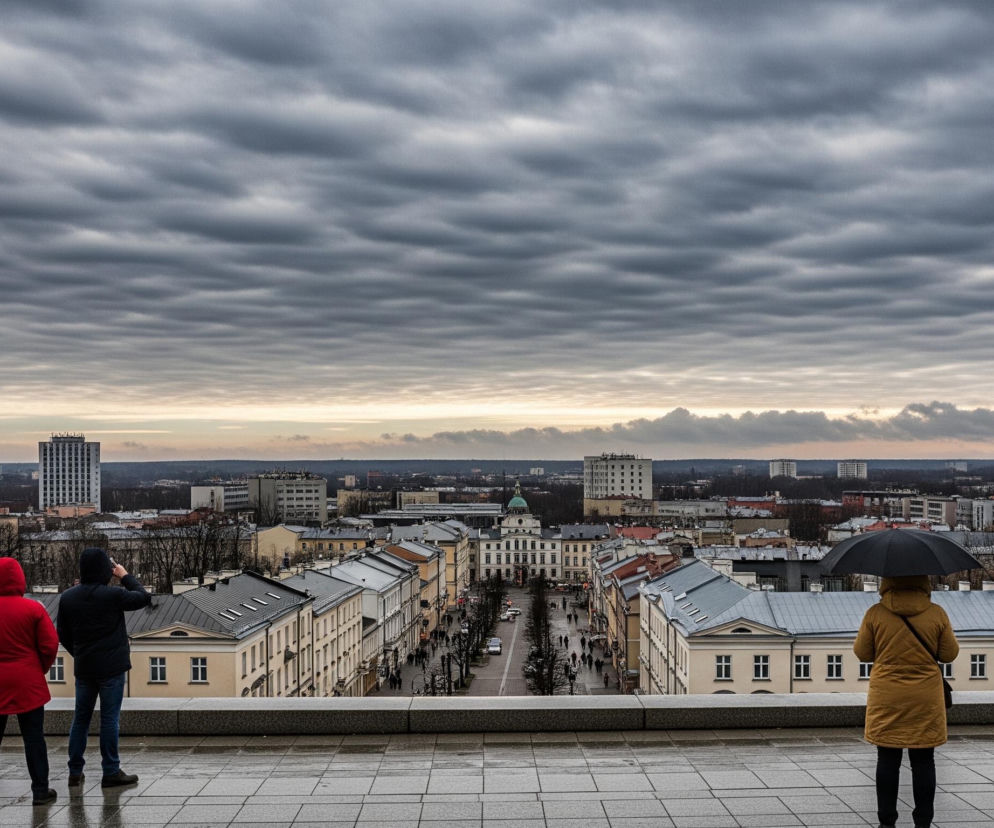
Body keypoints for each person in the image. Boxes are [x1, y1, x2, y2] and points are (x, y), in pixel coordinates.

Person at [854, 575, 959, 828]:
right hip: (925, 697)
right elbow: (948, 654)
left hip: (887, 696)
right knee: (924, 760)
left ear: (887, 582)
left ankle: (887, 822)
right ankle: (923, 822)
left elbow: (863, 653)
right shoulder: (936, 613)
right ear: (924, 582)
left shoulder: (875, 614)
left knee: (887, 759)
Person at [57, 548, 151, 789]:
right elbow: (143, 597)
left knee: (80, 719)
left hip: (85, 668)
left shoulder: (68, 598)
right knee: (109, 719)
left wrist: (79, 654)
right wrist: (125, 575)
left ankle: (75, 772)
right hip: (112, 668)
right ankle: (110, 771)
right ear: (104, 570)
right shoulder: (113, 596)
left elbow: (63, 634)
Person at [0, 558, 59, 805]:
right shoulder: (33, 609)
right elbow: (50, 644)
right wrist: (39, 669)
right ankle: (40, 791)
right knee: (34, 737)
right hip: (27, 681)